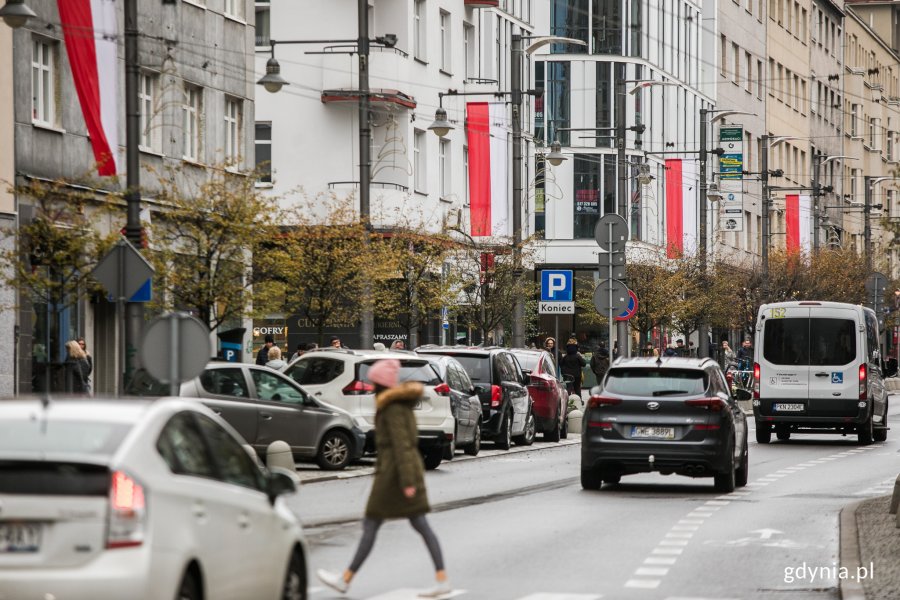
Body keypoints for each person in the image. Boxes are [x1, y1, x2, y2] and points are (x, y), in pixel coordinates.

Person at [316, 359, 451, 598]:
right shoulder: (395, 406)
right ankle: (440, 579)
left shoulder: (392, 409)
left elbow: (403, 447)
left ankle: (345, 579)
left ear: (380, 384)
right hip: (396, 475)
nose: (369, 386)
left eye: (373, 381)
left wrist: (408, 482)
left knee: (380, 524)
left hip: (395, 477)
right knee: (414, 525)